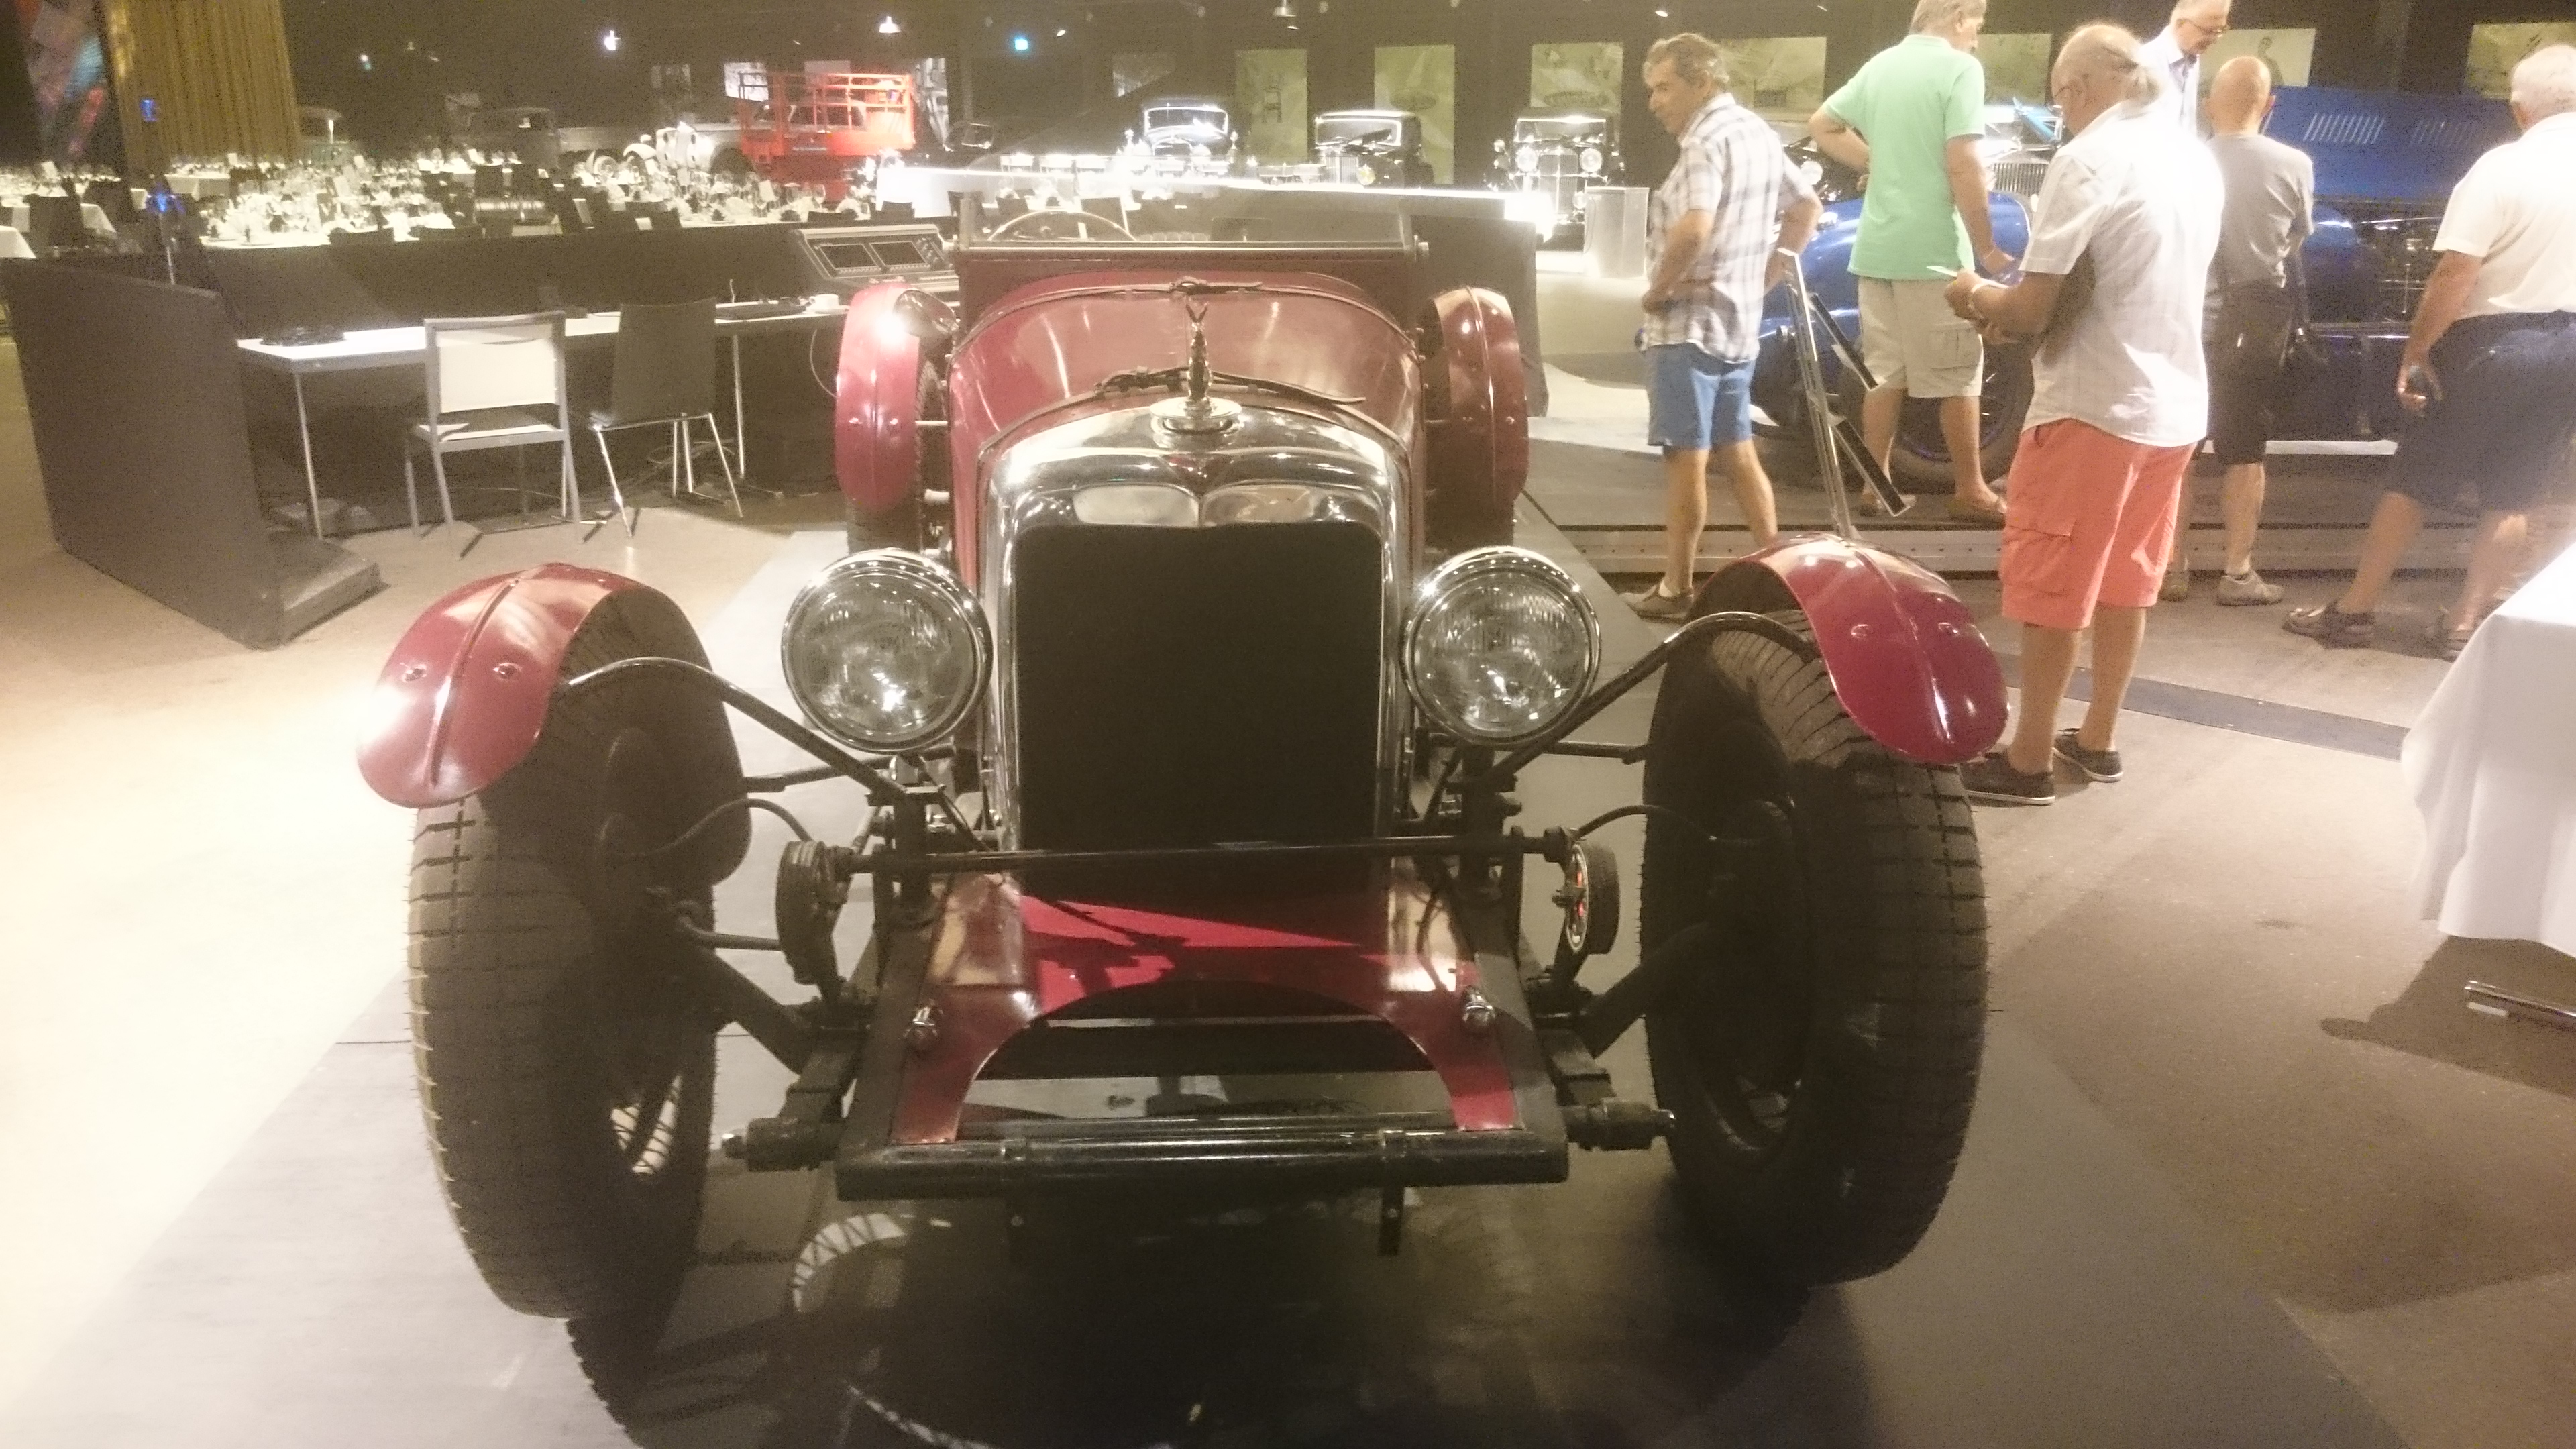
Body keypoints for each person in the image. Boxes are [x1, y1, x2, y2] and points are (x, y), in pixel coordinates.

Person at [1940, 23, 2222, 805]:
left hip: (2093, 404)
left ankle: (2028, 760)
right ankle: (2098, 740)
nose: (2061, 111)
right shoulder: (2192, 157)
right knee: (2128, 582)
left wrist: (1971, 294)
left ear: (2082, 87)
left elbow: (2032, 307)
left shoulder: (2090, 157)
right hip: (2173, 404)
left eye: (2060, 96)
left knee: (2054, 587)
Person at [2285, 44, 2576, 659]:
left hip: (2491, 344)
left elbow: (2456, 271)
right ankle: (2464, 624)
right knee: (2515, 491)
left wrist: (2417, 351)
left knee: (2415, 480)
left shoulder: (2503, 167)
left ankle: (2356, 611)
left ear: (2519, 109)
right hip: (2569, 347)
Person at [1623, 33, 1824, 621]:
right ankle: (1782, 580)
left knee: (1685, 459)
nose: (1655, 102)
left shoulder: (1704, 143)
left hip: (1687, 328)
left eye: (1664, 88)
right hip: (1737, 326)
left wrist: (1657, 291)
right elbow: (1806, 208)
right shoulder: (1758, 133)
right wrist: (1766, 277)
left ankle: (1675, 588)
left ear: (1702, 82)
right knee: (1739, 453)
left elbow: (1693, 229)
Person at [1807, 0, 2015, 522]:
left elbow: (1823, 124)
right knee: (1959, 374)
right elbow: (1964, 163)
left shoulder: (1881, 66)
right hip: (1934, 252)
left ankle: (1875, 486)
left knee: (1884, 372)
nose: (1976, 39)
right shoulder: (1960, 70)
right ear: (1959, 17)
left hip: (1878, 248)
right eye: (1977, 26)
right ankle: (1971, 489)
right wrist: (1988, 246)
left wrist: (1877, 162)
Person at [2164, 55, 2312, 606]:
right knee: (2246, 454)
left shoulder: (2183, 162)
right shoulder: (2294, 164)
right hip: (2251, 331)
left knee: (2177, 451)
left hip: (2185, 325)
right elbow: (2295, 240)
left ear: (2208, 107)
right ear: (2269, 105)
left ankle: (2169, 567)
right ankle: (2237, 573)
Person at [2139, 0, 2234, 131]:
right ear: (2180, 24)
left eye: (2220, 30)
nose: (2214, 39)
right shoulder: (2145, 62)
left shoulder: (2193, 58)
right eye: (2208, 31)